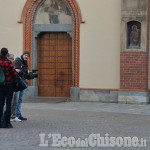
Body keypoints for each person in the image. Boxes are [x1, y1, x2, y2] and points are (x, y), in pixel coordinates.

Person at [0, 48, 17, 128]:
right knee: (8, 103)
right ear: (7, 54)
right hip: (9, 85)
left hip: (0, 85)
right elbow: (14, 74)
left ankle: (0, 121)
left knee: (1, 103)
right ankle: (7, 122)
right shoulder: (8, 62)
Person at [13, 50, 30, 121]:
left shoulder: (25, 62)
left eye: (28, 56)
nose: (27, 57)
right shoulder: (17, 60)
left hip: (22, 82)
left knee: (20, 99)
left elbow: (24, 72)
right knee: (16, 100)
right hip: (18, 83)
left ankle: (18, 114)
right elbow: (17, 71)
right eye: (26, 55)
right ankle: (15, 115)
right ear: (23, 55)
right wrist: (25, 72)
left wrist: (29, 75)